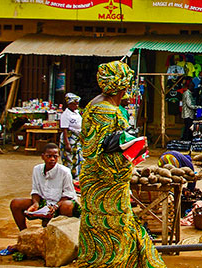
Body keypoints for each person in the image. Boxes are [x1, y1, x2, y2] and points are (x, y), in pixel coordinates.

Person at [75, 60, 165, 267]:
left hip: (92, 175)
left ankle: (97, 257)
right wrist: (132, 147)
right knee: (114, 222)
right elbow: (105, 148)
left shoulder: (93, 105)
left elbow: (93, 144)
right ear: (122, 86)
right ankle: (115, 262)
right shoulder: (108, 111)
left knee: (94, 221)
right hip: (107, 179)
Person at [9, 143, 79, 230]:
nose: (52, 159)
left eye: (55, 156)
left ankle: (60, 229)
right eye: (49, 156)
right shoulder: (37, 169)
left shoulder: (65, 171)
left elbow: (68, 194)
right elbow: (35, 191)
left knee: (68, 206)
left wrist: (56, 206)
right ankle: (24, 232)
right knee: (15, 203)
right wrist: (35, 203)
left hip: (60, 204)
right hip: (45, 203)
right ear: (42, 156)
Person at [60, 93, 83, 179]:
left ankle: (77, 177)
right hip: (70, 139)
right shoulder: (66, 115)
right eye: (74, 104)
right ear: (69, 104)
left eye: (77, 103)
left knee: (77, 159)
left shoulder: (76, 113)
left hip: (77, 140)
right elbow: (65, 130)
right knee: (69, 160)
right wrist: (67, 144)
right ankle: (69, 179)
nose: (76, 105)